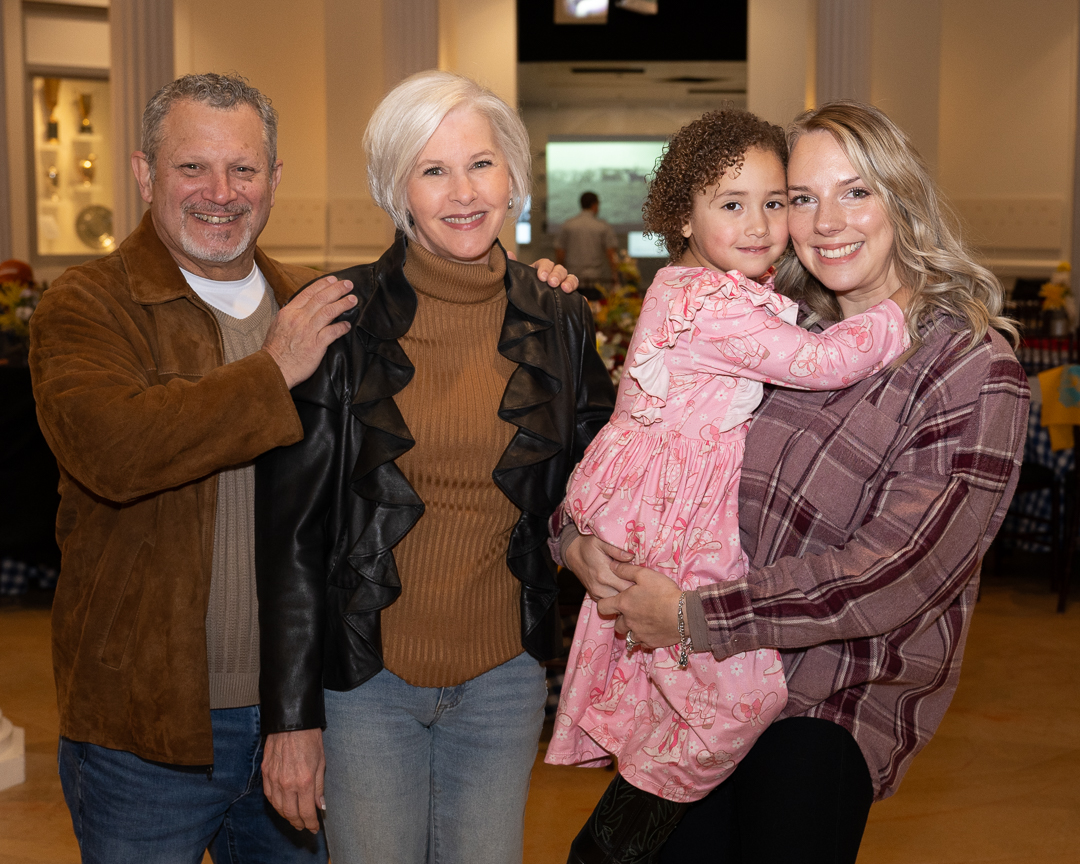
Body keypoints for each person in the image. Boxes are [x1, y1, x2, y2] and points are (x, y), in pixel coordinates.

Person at [28, 72, 574, 864]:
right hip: (148, 726)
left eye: (243, 169)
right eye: (192, 168)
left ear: (274, 180)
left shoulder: (322, 305)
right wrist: (271, 368)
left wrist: (537, 292)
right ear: (146, 174)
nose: (221, 192)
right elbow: (113, 454)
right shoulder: (88, 306)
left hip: (314, 705)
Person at [559, 101, 1029, 864]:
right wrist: (577, 543)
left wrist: (692, 616)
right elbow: (646, 449)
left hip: (828, 698)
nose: (825, 221)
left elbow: (893, 573)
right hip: (707, 683)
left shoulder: (974, 371)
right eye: (800, 198)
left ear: (901, 199)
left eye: (855, 191)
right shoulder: (776, 327)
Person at [254, 70, 616, 864]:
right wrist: (289, 718)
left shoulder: (557, 315)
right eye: (432, 169)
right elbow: (291, 538)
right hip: (365, 684)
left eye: (481, 164)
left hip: (504, 679)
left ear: (514, 176)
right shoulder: (336, 318)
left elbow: (606, 472)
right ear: (397, 189)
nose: (462, 191)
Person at [556, 191, 619, 295]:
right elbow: (611, 253)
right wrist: (615, 276)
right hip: (595, 280)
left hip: (570, 280)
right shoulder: (602, 226)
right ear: (594, 205)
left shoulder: (568, 225)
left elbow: (560, 253)